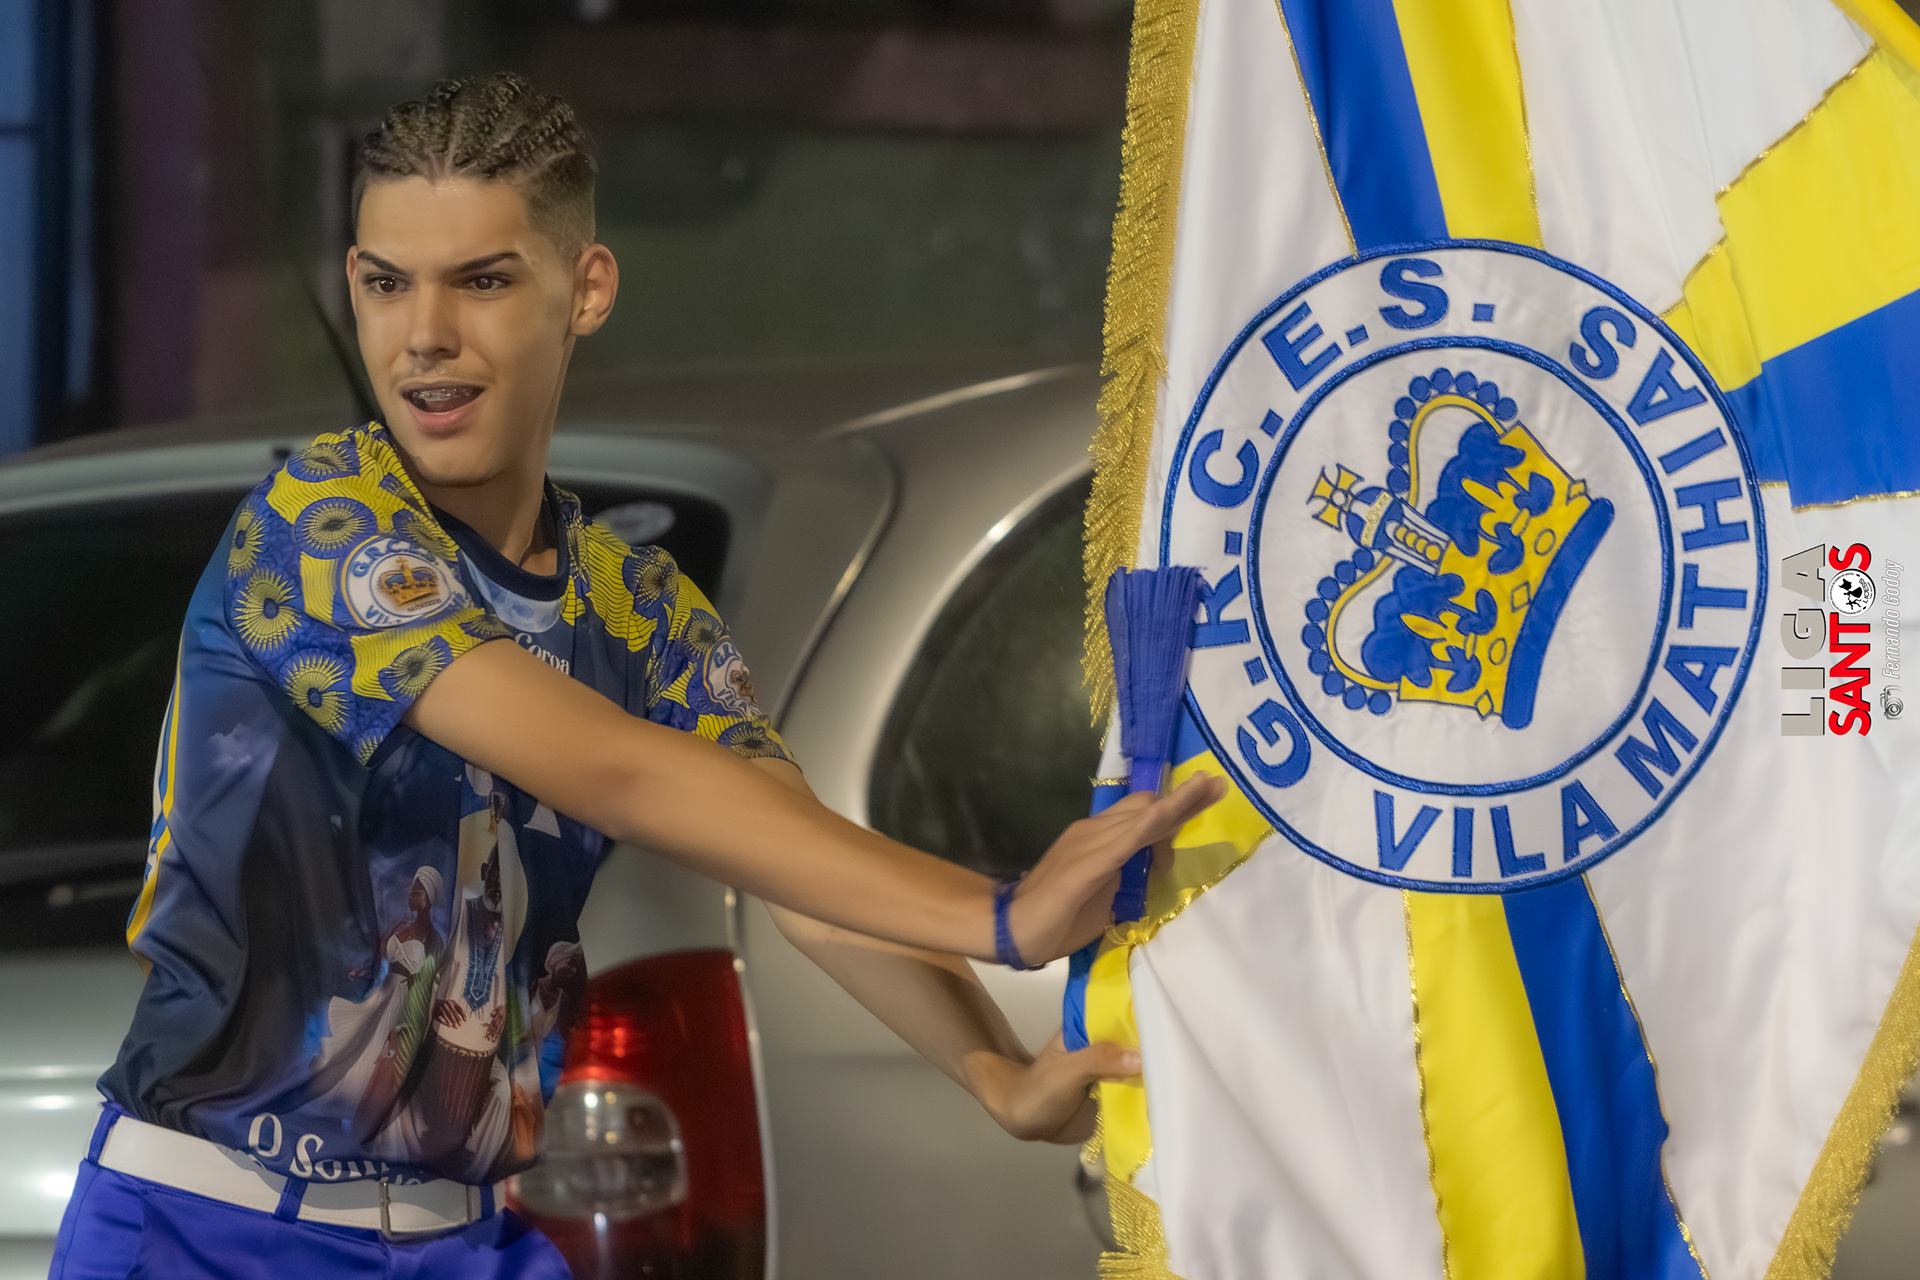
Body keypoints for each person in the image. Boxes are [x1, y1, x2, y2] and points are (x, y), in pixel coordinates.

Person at [48, 73, 1221, 1278]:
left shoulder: (634, 603)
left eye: (483, 280)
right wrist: (1002, 915)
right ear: (354, 283)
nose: (425, 334)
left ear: (588, 289)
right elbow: (613, 769)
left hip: (465, 1239)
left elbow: (792, 860)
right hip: (207, 1235)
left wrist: (998, 1072)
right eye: (389, 282)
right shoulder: (318, 527)